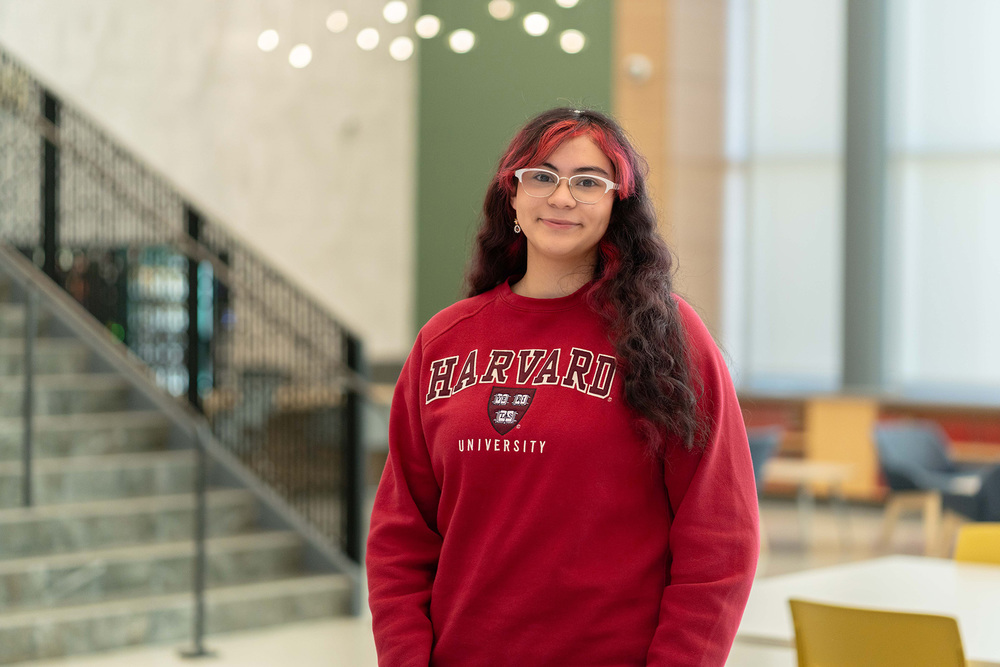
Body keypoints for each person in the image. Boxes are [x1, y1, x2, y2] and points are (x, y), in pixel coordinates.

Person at [366, 107, 759, 666]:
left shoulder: (667, 337)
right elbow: (401, 537)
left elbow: (720, 537)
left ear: (617, 205)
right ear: (513, 195)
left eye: (588, 182)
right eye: (542, 175)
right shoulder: (444, 340)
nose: (562, 197)